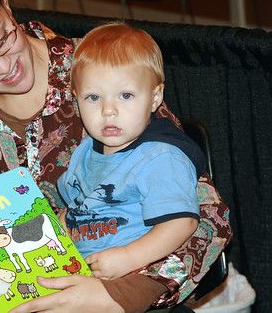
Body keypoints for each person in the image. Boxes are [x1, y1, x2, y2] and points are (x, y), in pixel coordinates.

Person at [0, 0, 231, 312]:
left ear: (3, 0)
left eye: (1, 40)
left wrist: (120, 296)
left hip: (119, 288)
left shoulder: (101, 71)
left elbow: (208, 217)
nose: (2, 67)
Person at [58, 23, 205, 281]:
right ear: (76, 98)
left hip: (132, 272)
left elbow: (182, 223)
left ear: (155, 97)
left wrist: (129, 257)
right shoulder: (83, 152)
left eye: (125, 95)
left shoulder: (160, 158)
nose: (108, 110)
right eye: (93, 98)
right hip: (81, 270)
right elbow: (75, 208)